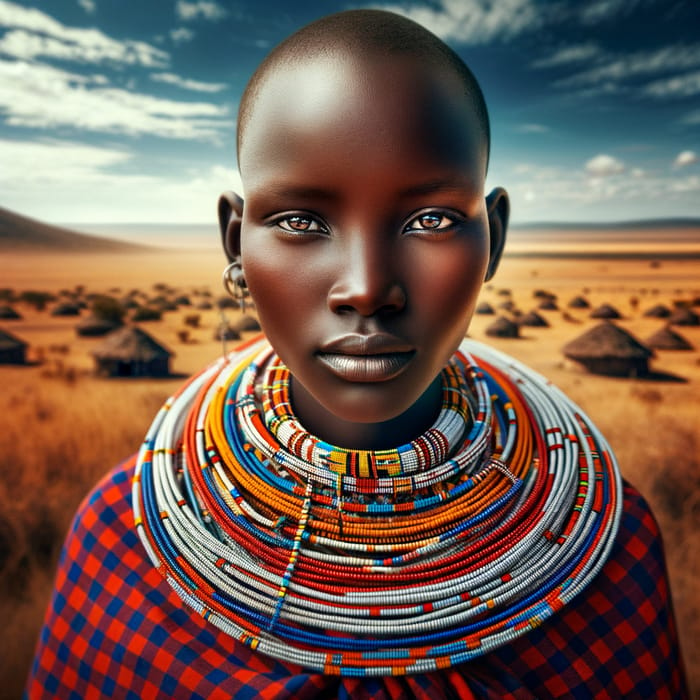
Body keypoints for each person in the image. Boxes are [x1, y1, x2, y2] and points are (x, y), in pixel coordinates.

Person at [26, 9, 687, 699]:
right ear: (235, 243)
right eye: (301, 222)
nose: (367, 289)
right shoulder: (125, 544)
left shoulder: (605, 552)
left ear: (492, 237)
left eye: (430, 221)